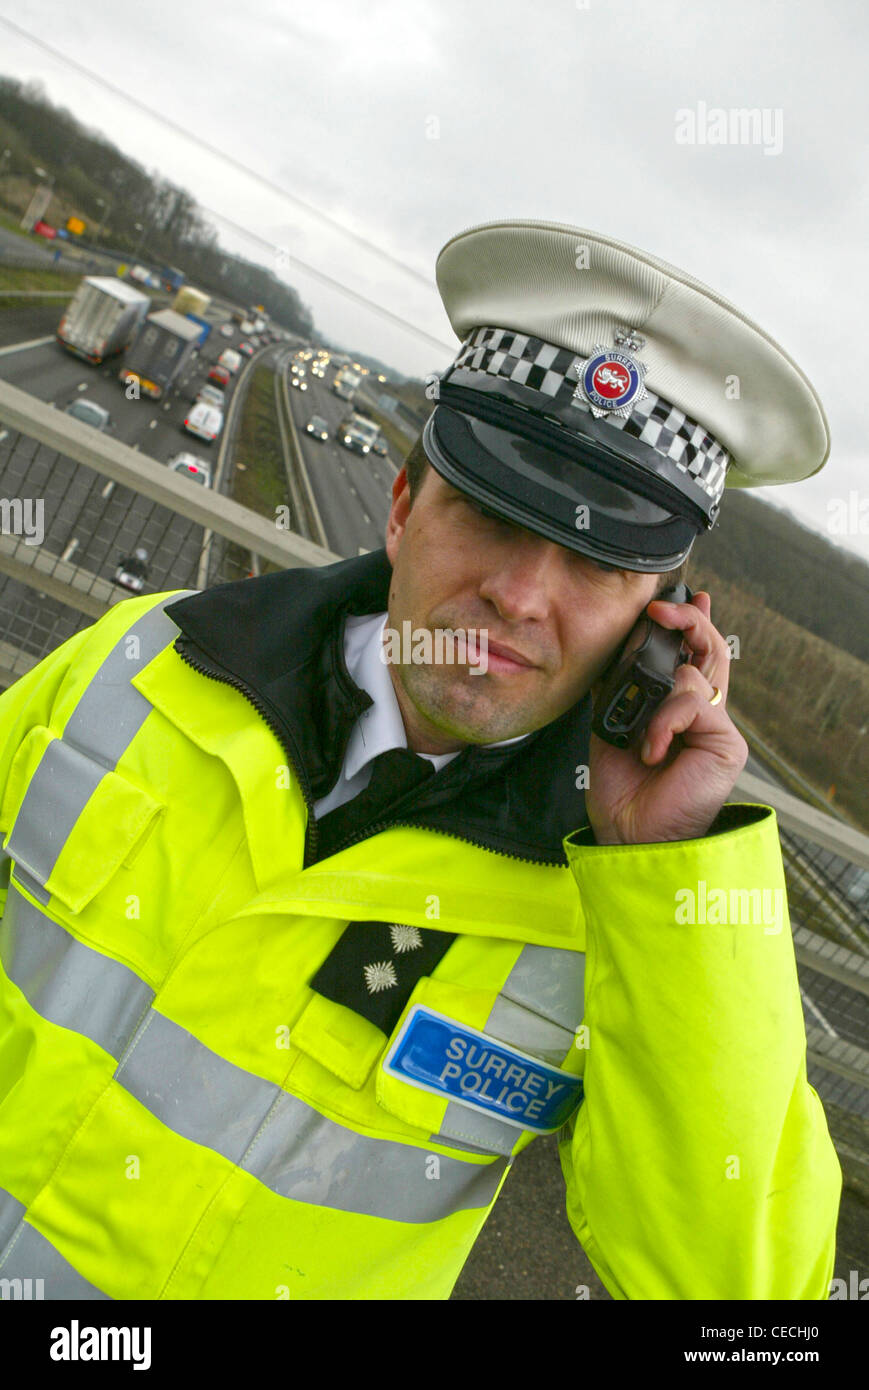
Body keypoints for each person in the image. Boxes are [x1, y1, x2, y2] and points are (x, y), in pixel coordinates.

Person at [0, 220, 841, 1301]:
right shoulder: (143, 659)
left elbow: (743, 1291)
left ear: (666, 625)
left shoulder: (627, 915)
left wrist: (672, 878)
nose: (521, 596)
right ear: (401, 510)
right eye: (489, 514)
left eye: (594, 560)